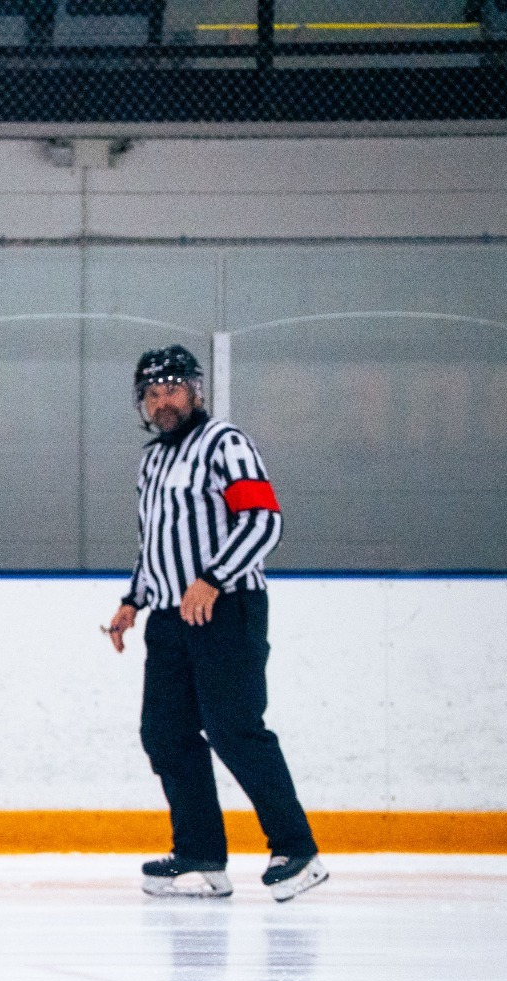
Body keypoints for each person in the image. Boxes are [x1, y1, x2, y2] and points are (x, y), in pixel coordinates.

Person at [105, 345, 328, 902]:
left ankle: (298, 851)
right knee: (165, 732)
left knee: (234, 729)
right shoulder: (152, 461)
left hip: (227, 609)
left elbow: (263, 520)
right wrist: (133, 600)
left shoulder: (225, 444)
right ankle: (201, 858)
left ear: (196, 391)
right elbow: (152, 541)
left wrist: (213, 578)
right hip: (170, 618)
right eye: (152, 394)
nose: (163, 401)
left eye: (173, 389)